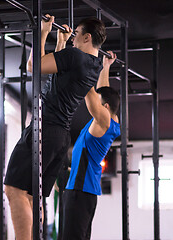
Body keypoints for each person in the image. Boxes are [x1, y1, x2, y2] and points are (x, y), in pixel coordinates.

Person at [4, 14, 107, 239]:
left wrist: (42, 31)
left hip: (45, 129)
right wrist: (61, 41)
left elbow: (34, 66)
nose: (73, 39)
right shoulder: (95, 65)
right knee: (32, 196)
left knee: (14, 189)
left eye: (77, 35)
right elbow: (57, 76)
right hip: (60, 136)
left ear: (87, 37)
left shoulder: (75, 56)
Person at [60, 51, 120, 240]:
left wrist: (82, 67)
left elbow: (92, 95)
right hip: (84, 191)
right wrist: (106, 66)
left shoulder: (103, 121)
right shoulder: (110, 119)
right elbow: (103, 92)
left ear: (106, 108)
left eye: (100, 105)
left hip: (80, 190)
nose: (97, 105)